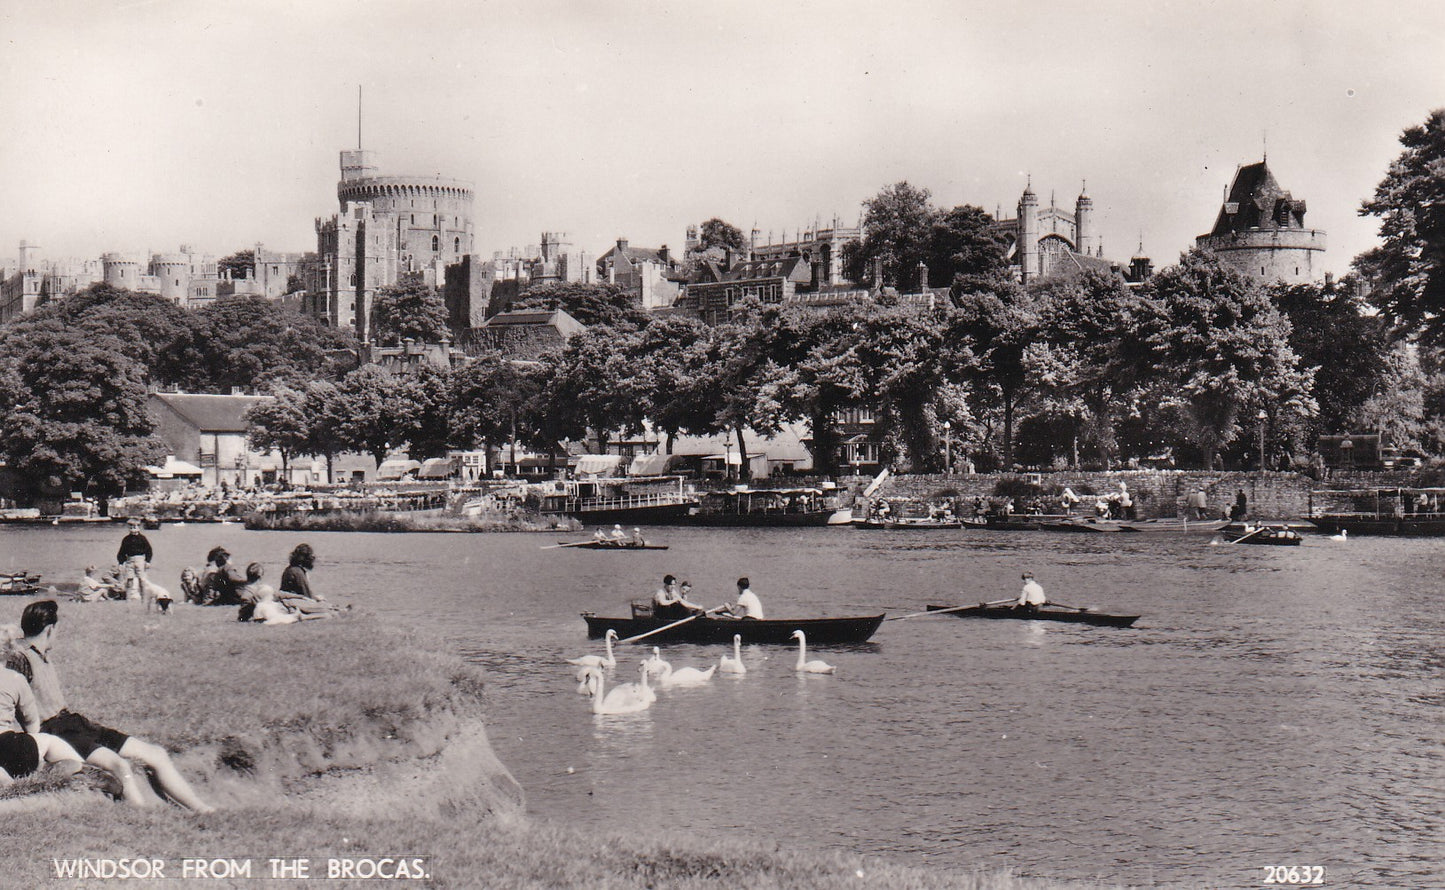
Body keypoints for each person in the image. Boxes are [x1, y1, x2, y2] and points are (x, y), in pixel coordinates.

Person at [5, 601, 214, 811]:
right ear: (51, 629)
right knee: (119, 765)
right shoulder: (20, 658)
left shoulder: (42, 656)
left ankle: (203, 809)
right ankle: (143, 815)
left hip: (76, 724)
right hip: (56, 731)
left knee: (156, 753)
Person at [0, 662, 84, 786]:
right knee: (50, 741)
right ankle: (83, 770)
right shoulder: (12, 677)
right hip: (11, 747)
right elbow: (32, 725)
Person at [277, 544, 342, 619]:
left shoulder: (291, 569)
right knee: (327, 609)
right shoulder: (297, 572)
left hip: (289, 600)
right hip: (293, 601)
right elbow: (307, 593)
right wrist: (317, 599)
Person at [116, 518, 153, 604]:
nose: (133, 528)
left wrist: (148, 561)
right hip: (130, 560)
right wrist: (121, 563)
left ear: (139, 527)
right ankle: (128, 600)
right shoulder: (126, 539)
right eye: (131, 527)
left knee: (142, 580)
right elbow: (122, 552)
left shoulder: (142, 538)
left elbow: (149, 550)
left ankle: (143, 600)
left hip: (140, 560)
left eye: (135, 526)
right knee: (129, 581)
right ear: (128, 528)